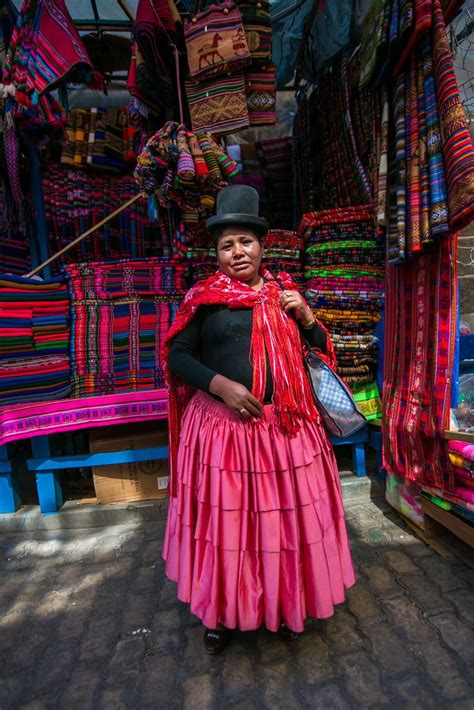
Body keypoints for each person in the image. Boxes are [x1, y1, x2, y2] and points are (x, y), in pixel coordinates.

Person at [162, 185, 355, 654]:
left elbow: (320, 351)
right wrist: (221, 386)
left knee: (283, 527)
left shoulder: (285, 295)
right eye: (227, 245)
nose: (237, 252)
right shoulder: (203, 300)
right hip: (224, 434)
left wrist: (308, 316)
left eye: (245, 241)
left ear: (262, 246)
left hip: (286, 430)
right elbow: (177, 358)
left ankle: (286, 606)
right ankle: (223, 613)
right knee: (227, 527)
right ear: (217, 255)